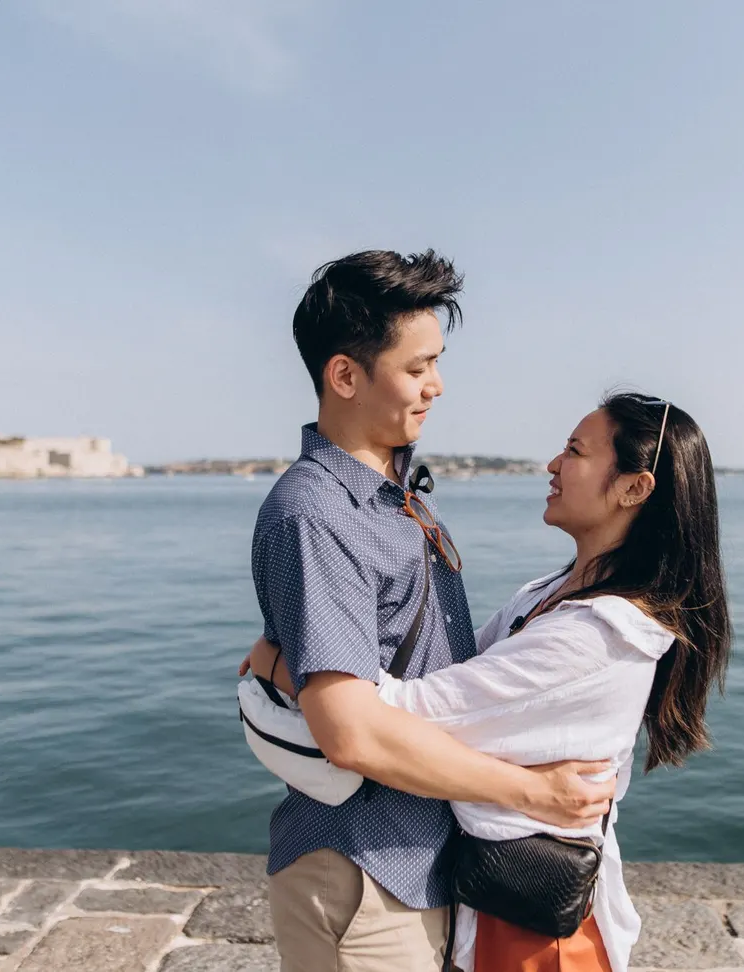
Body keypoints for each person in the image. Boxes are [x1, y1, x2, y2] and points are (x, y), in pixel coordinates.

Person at [249, 392, 732, 972]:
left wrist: (277, 661)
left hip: (533, 930)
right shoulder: (549, 594)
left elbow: (398, 711)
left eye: (575, 452)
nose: (553, 465)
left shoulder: (598, 635)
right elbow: (457, 682)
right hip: (493, 900)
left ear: (634, 487)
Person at [250, 249, 617, 972]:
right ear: (345, 375)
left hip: (425, 859)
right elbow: (349, 734)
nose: (437, 386)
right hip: (362, 870)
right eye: (417, 367)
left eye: (437, 363)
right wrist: (534, 792)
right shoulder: (314, 513)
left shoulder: (406, 496)